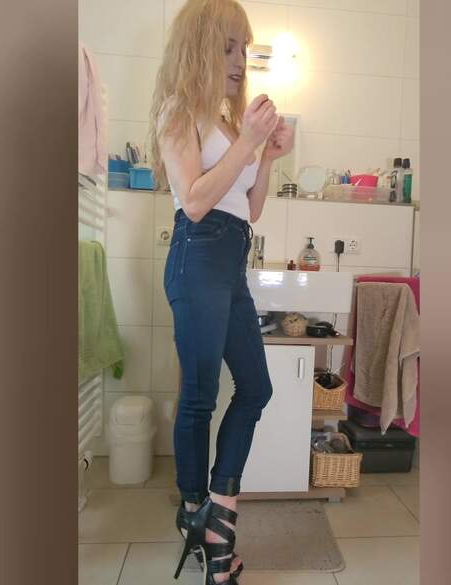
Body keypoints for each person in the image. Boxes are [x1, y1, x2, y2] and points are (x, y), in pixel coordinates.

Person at [149, 1, 294, 583]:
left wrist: (268, 157)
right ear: (198, 48)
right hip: (197, 255)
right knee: (200, 396)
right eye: (227, 47)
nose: (239, 61)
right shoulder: (178, 110)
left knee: (256, 389)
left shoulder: (229, 123)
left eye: (244, 49)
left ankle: (218, 511)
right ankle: (198, 515)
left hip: (230, 262)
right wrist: (247, 143)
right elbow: (194, 200)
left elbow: (250, 208)